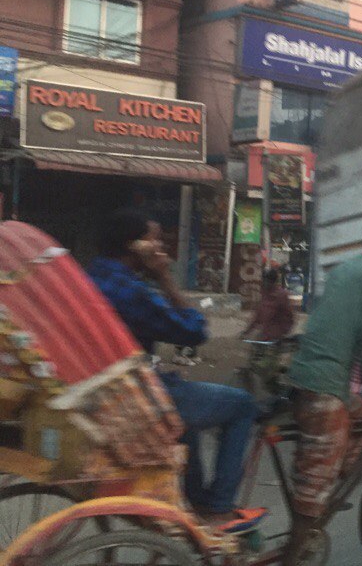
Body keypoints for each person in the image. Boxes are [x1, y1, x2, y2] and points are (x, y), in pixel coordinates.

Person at [88, 208, 265, 533]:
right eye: (155, 241)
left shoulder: (91, 277)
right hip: (136, 396)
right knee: (242, 405)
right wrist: (165, 278)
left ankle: (195, 500)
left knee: (190, 412)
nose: (161, 249)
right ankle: (219, 507)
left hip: (108, 388)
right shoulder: (131, 291)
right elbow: (193, 332)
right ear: (134, 245)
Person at [281, 212, 362, 566]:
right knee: (314, 487)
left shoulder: (343, 269)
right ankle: (296, 548)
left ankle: (328, 488)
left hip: (306, 375)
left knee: (360, 415)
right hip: (326, 384)